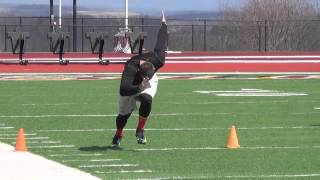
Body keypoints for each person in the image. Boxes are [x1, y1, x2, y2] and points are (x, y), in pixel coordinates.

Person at [111, 11, 168, 147]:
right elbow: (124, 89)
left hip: (144, 81)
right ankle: (119, 133)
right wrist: (139, 87)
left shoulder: (158, 60)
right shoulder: (130, 69)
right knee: (124, 115)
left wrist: (164, 24)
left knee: (147, 99)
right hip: (132, 85)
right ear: (141, 74)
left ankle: (140, 129)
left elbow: (161, 41)